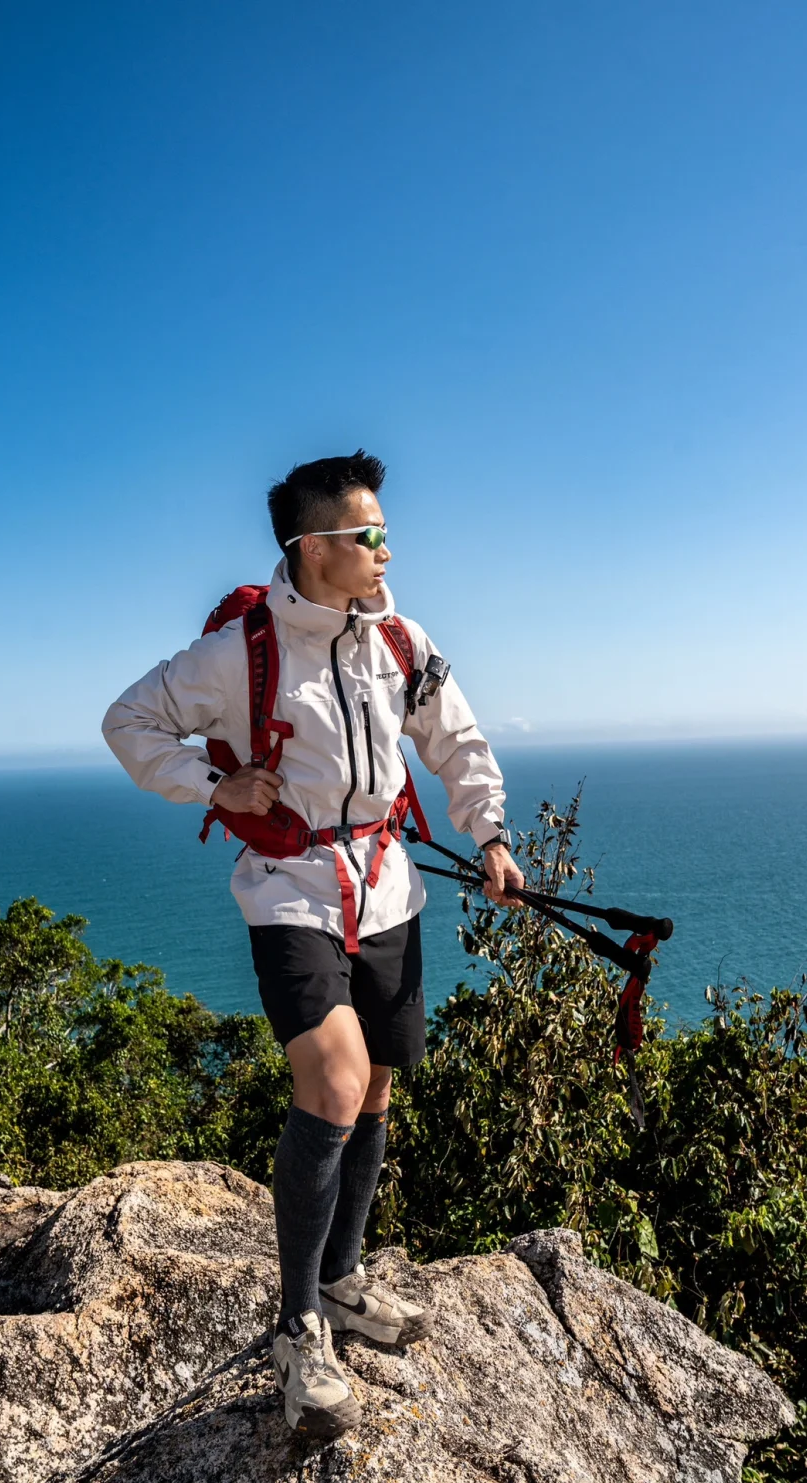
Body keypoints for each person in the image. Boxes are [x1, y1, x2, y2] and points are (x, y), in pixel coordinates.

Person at [101, 450, 524, 1439]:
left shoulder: (401, 642)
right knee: (331, 1081)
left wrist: (491, 833)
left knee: (375, 1083)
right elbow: (129, 723)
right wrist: (214, 787)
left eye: (386, 530)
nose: (387, 549)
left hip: (387, 885)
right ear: (315, 547)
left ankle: (340, 1277)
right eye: (368, 535)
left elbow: (458, 742)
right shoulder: (240, 654)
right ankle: (297, 1327)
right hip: (289, 889)